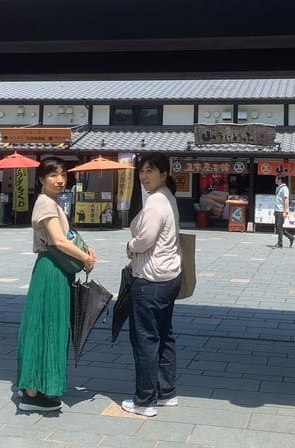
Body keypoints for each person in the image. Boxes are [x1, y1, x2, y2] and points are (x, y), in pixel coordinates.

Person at [17, 157, 96, 413]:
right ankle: (34, 392)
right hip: (51, 271)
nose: (59, 180)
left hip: (51, 269)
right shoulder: (46, 204)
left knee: (43, 325)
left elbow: (65, 239)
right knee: (49, 327)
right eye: (52, 175)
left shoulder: (51, 202)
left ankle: (32, 387)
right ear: (41, 179)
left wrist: (83, 249)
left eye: (62, 174)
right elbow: (60, 242)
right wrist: (84, 258)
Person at [122, 152, 182, 417]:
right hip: (170, 278)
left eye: (150, 170)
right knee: (164, 334)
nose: (144, 176)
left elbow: (145, 238)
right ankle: (166, 391)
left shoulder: (156, 201)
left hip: (150, 280)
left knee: (145, 339)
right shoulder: (168, 197)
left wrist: (130, 246)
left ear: (163, 173)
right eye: (141, 171)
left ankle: (144, 401)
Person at [273, 174, 294, 248]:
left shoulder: (285, 188)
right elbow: (277, 200)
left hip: (281, 211)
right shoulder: (278, 188)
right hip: (277, 210)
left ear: (280, 180)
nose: (275, 180)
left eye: (276, 179)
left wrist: (285, 212)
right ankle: (291, 237)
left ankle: (280, 243)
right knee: (279, 227)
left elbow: (286, 200)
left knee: (279, 227)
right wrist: (275, 210)